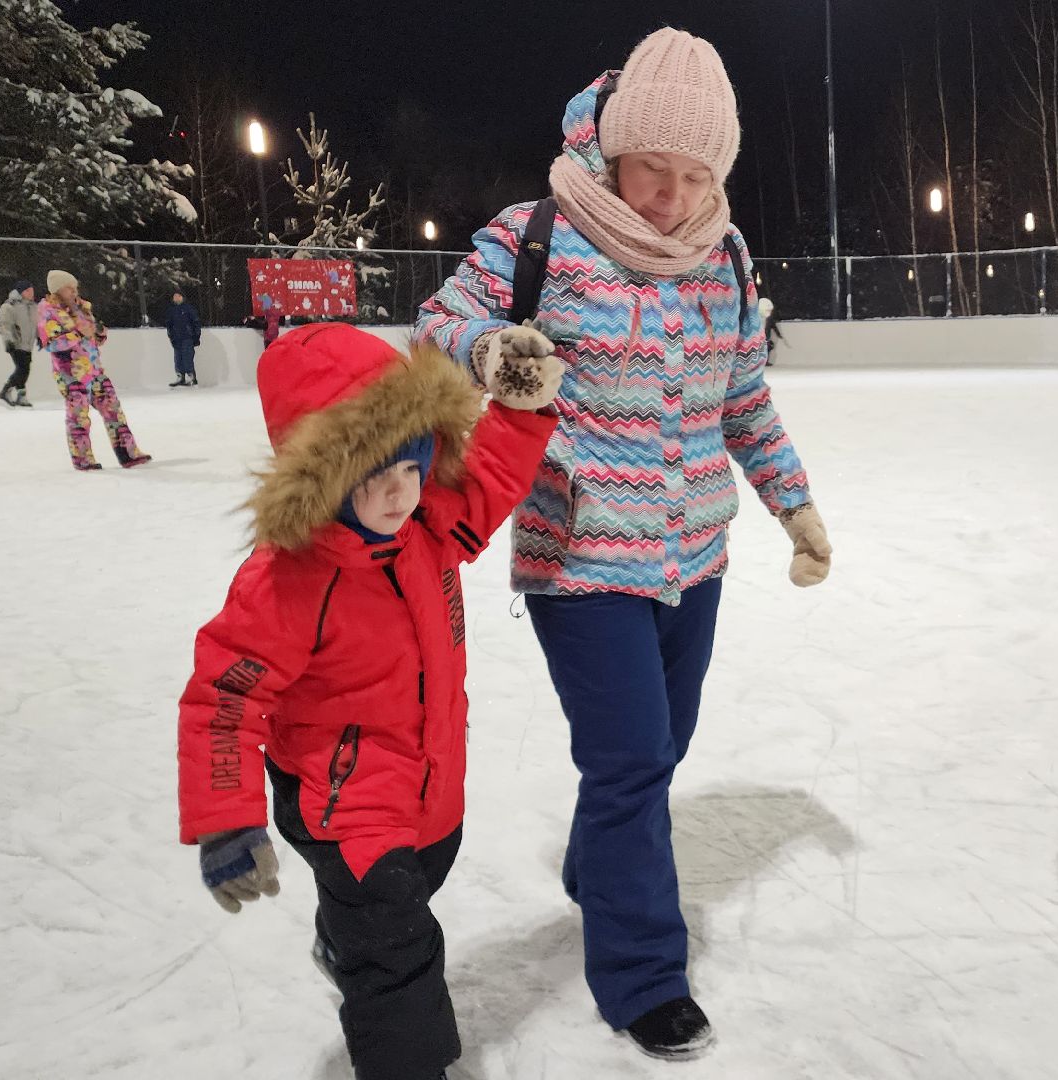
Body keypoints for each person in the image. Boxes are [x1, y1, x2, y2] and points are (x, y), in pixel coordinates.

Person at [415, 27, 833, 1060]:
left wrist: (795, 504)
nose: (670, 198)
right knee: (633, 758)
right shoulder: (538, 237)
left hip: (695, 560)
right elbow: (434, 324)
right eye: (655, 169)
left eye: (697, 177)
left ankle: (599, 867)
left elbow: (743, 403)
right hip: (579, 559)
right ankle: (641, 973)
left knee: (655, 753)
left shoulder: (721, 257)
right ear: (614, 150)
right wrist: (495, 350)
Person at [177, 323, 563, 1080]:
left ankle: (345, 943)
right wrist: (226, 817)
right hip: (341, 800)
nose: (398, 493)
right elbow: (223, 698)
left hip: (428, 785)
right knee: (398, 955)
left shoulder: (427, 530)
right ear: (320, 478)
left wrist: (520, 410)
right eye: (370, 476)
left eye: (411, 466)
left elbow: (487, 480)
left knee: (419, 883)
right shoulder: (288, 580)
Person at [37, 270, 149, 471]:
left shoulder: (82, 307)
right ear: (57, 290)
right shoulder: (48, 312)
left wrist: (99, 333)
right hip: (70, 374)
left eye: (74, 288)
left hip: (95, 370)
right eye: (68, 288)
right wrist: (78, 334)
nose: (73, 291)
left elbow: (93, 337)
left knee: (114, 410)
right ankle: (82, 459)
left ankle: (128, 453)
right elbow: (52, 344)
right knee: (79, 416)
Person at [0, 280, 37, 406]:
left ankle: (21, 396)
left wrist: (40, 336)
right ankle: (5, 391)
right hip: (16, 342)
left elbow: (35, 324)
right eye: (28, 291)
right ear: (21, 292)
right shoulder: (10, 306)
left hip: (28, 343)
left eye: (32, 290)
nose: (31, 293)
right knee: (23, 369)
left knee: (24, 369)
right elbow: (4, 324)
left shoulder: (32, 306)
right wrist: (8, 340)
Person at [165, 289, 201, 387]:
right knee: (178, 358)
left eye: (178, 296)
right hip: (176, 338)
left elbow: (196, 322)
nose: (176, 298)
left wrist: (196, 336)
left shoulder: (188, 308)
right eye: (174, 296)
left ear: (182, 297)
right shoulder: (171, 310)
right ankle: (180, 376)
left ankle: (191, 377)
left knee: (187, 357)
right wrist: (171, 336)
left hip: (187, 337)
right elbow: (169, 324)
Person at [759, 296, 786, 365]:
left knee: (767, 348)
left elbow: (774, 327)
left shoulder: (769, 319)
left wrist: (779, 335)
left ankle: (765, 361)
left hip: (766, 337)